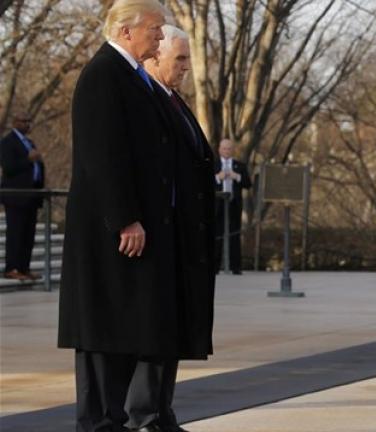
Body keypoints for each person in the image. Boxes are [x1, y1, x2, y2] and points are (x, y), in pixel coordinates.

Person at [56, 1, 187, 431]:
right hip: (107, 235)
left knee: (121, 333)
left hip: (127, 235)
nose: (160, 36)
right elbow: (102, 154)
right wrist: (125, 217)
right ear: (128, 31)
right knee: (101, 337)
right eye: (154, 28)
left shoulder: (132, 77)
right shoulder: (103, 75)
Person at [131, 24, 216, 432]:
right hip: (160, 235)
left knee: (174, 330)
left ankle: (161, 412)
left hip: (184, 236)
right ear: (153, 58)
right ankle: (144, 414)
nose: (185, 67)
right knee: (155, 330)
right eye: (178, 59)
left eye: (186, 59)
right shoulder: (148, 102)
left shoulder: (174, 101)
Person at [1, 112, 45, 281]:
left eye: (29, 121)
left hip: (31, 196)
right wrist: (28, 159)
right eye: (24, 121)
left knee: (28, 234)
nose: (28, 124)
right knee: (16, 233)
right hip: (15, 197)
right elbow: (8, 166)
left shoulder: (29, 143)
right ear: (15, 122)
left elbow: (37, 164)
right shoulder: (8, 142)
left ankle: (24, 267)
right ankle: (12, 267)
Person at [214, 139, 251, 274]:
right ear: (219, 149)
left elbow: (248, 183)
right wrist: (218, 177)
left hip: (233, 204)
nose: (227, 151)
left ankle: (236, 267)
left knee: (234, 236)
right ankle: (215, 267)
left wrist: (237, 177)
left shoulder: (239, 166)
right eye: (224, 148)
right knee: (217, 236)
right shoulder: (214, 164)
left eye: (229, 148)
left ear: (233, 150)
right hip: (218, 205)